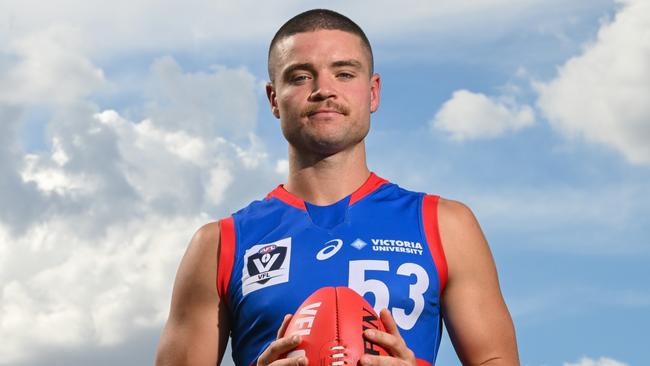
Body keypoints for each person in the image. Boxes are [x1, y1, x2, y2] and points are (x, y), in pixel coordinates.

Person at [155, 8, 519, 366]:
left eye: (344, 73)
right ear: (273, 99)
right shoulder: (219, 244)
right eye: (300, 77)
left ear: (373, 93)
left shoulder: (445, 225)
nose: (324, 90)